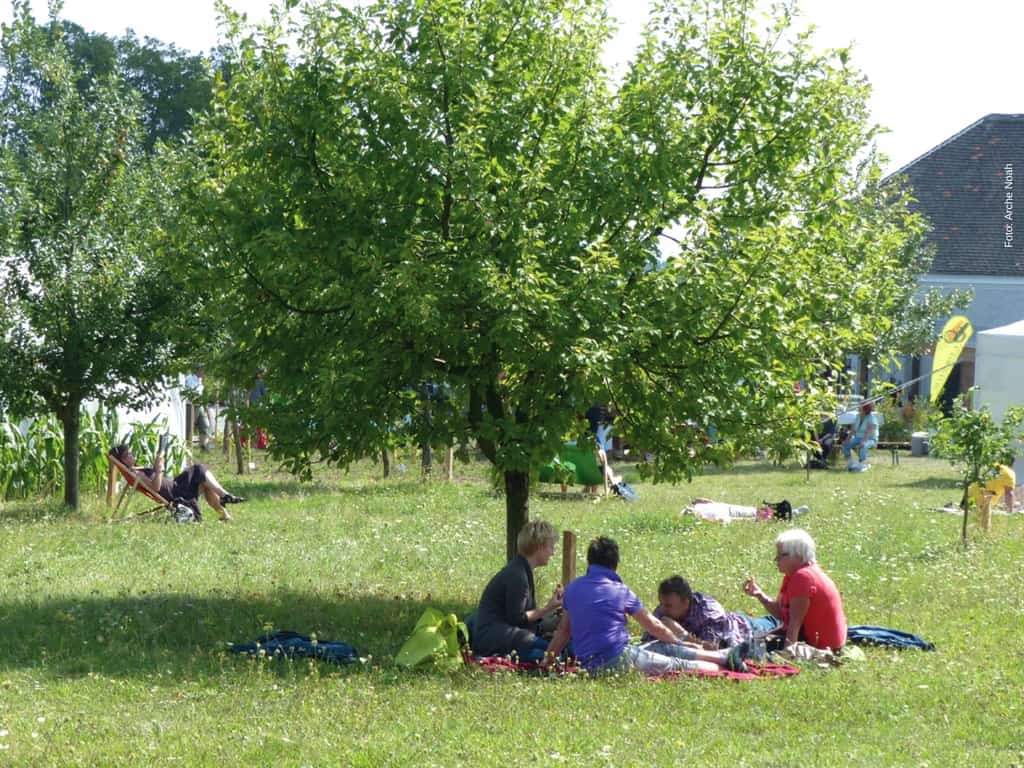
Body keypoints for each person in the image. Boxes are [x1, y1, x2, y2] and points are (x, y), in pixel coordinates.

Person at [544, 537, 757, 675]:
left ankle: (723, 655)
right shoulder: (621, 591)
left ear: (589, 564)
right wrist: (681, 642)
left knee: (660, 648)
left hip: (591, 663)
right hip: (617, 659)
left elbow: (563, 631)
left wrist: (547, 662)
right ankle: (722, 667)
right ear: (615, 565)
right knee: (675, 664)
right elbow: (653, 626)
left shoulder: (573, 589)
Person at [471, 520, 564, 661]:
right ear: (539, 546)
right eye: (551, 547)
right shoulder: (518, 576)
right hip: (493, 638)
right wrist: (547, 608)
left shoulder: (521, 569)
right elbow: (518, 618)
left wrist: (550, 611)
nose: (553, 552)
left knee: (556, 650)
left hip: (501, 635)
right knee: (555, 654)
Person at [744, 529, 847, 651]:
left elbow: (794, 624)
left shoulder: (803, 577)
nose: (776, 559)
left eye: (782, 555)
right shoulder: (796, 574)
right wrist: (760, 595)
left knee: (746, 647)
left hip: (820, 646)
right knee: (750, 639)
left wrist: (786, 656)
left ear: (798, 555)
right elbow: (782, 614)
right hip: (820, 641)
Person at [109, 444, 245, 522]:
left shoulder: (134, 470)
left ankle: (225, 514)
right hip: (176, 492)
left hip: (176, 485)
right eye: (128, 454)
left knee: (203, 480)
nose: (132, 454)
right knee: (199, 470)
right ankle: (224, 496)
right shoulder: (135, 474)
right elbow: (155, 487)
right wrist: (159, 468)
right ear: (123, 460)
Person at [646, 576, 781, 648]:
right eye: (661, 603)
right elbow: (647, 641)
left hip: (745, 629)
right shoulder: (663, 610)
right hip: (732, 624)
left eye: (669, 605)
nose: (663, 609)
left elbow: (711, 648)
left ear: (686, 602)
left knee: (778, 624)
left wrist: (681, 634)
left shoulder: (708, 612)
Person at [842, 402, 878, 472]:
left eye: (860, 406)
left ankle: (863, 464)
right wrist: (846, 440)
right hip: (858, 438)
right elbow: (853, 430)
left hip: (870, 439)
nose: (858, 407)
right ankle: (851, 463)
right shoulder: (858, 416)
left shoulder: (871, 417)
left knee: (863, 446)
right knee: (845, 445)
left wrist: (863, 442)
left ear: (865, 409)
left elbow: (869, 432)